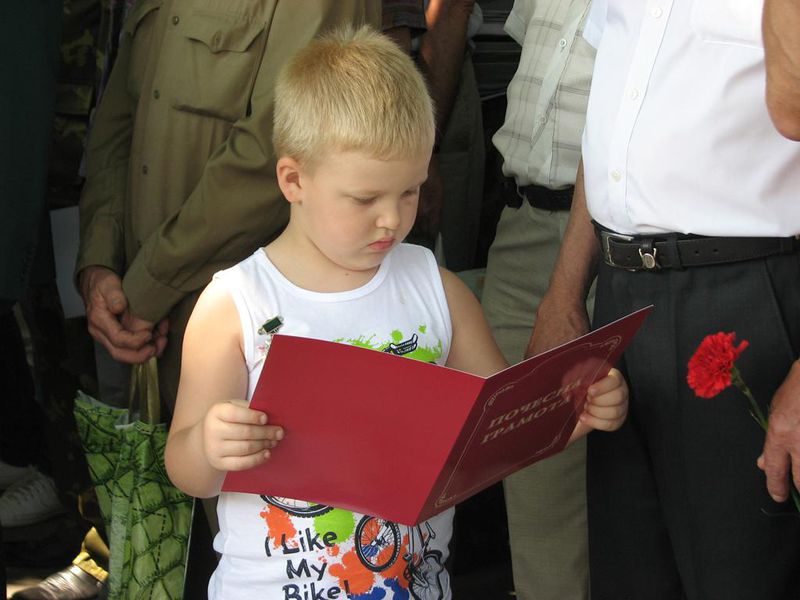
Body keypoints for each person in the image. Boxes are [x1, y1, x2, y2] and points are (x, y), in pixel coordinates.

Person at [163, 26, 629, 599]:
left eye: (409, 192)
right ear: (293, 180)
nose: (392, 219)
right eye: (365, 199)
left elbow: (501, 428)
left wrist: (574, 411)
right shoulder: (236, 304)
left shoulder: (437, 289)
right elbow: (185, 470)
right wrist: (209, 446)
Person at [530, 1, 800, 598]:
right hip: (622, 296)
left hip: (745, 293)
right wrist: (564, 293)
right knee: (632, 573)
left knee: (745, 573)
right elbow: (613, 127)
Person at [481, 1, 595, 598]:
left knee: (639, 480)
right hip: (523, 222)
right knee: (531, 467)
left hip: (618, 234)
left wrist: (566, 289)